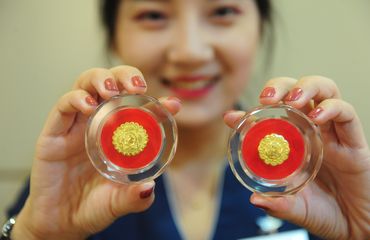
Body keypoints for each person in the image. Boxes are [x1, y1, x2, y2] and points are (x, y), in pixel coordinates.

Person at [4, 0, 370, 239]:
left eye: (223, 11)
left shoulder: (317, 179)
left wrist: (361, 229)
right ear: (115, 35)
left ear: (260, 27)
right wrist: (34, 235)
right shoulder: (72, 180)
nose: (190, 51)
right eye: (153, 15)